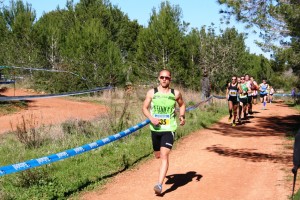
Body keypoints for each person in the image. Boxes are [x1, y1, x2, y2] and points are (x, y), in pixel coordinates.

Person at [142, 69, 186, 195]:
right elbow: (144, 108)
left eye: (167, 77)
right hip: (155, 129)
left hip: (169, 129)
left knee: (164, 155)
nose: (164, 79)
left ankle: (159, 185)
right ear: (158, 78)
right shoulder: (152, 93)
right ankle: (162, 170)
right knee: (158, 155)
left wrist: (182, 116)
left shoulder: (175, 93)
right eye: (162, 77)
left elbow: (182, 105)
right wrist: (151, 118)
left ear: (170, 79)